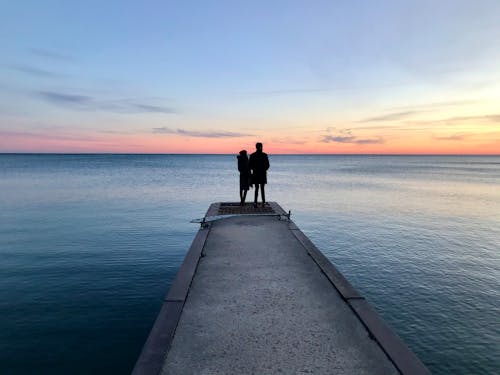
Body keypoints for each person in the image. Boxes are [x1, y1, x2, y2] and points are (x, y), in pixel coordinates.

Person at [248, 142, 270, 207]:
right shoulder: (264, 155)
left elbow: (249, 166)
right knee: (261, 188)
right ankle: (262, 202)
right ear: (260, 147)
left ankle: (256, 202)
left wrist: (254, 169)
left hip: (257, 173)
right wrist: (263, 169)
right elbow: (267, 165)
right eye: (261, 147)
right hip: (260, 173)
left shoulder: (252, 155)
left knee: (257, 188)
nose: (262, 148)